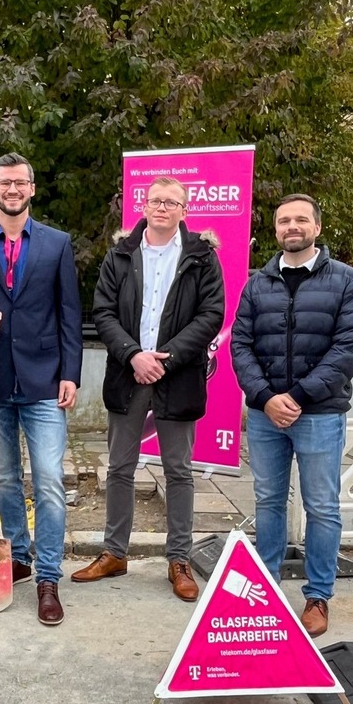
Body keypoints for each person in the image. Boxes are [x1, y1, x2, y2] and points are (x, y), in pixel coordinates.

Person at [72, 177, 224, 601]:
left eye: (172, 202)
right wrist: (134, 355)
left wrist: (166, 357)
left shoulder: (202, 257)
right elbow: (102, 311)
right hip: (128, 372)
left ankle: (179, 559)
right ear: (143, 204)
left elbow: (212, 314)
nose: (162, 208)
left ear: (184, 209)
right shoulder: (120, 255)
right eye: (156, 200)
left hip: (177, 375)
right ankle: (114, 552)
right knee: (120, 467)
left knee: (178, 470)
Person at [0, 152, 83, 626]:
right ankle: (19, 556)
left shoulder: (56, 244)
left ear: (31, 189)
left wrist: (71, 373)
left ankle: (48, 577)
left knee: (47, 478)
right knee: (4, 477)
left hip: (44, 379)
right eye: (4, 182)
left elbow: (69, 313)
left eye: (20, 183)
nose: (12, 190)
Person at [231, 194, 353, 638]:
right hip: (265, 413)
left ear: (317, 227)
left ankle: (318, 596)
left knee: (322, 508)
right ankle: (265, 591)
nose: (293, 226)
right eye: (284, 220)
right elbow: (240, 345)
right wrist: (265, 396)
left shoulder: (347, 282)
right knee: (268, 502)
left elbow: (349, 348)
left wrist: (296, 396)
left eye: (301, 219)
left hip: (319, 413)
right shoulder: (258, 284)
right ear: (275, 230)